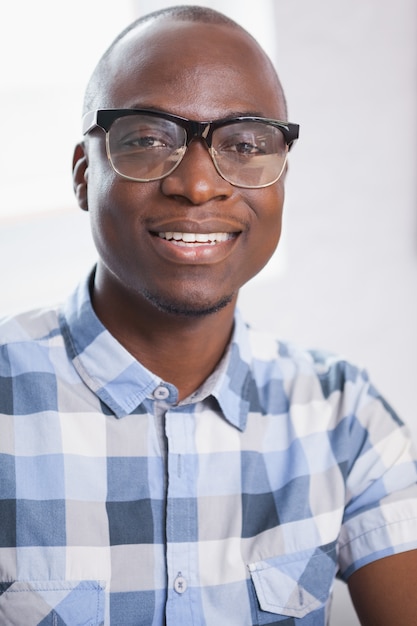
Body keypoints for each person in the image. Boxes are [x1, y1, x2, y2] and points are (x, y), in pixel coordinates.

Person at [0, 5, 416, 625]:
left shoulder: (344, 418)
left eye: (245, 144)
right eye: (146, 140)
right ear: (85, 177)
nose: (198, 185)